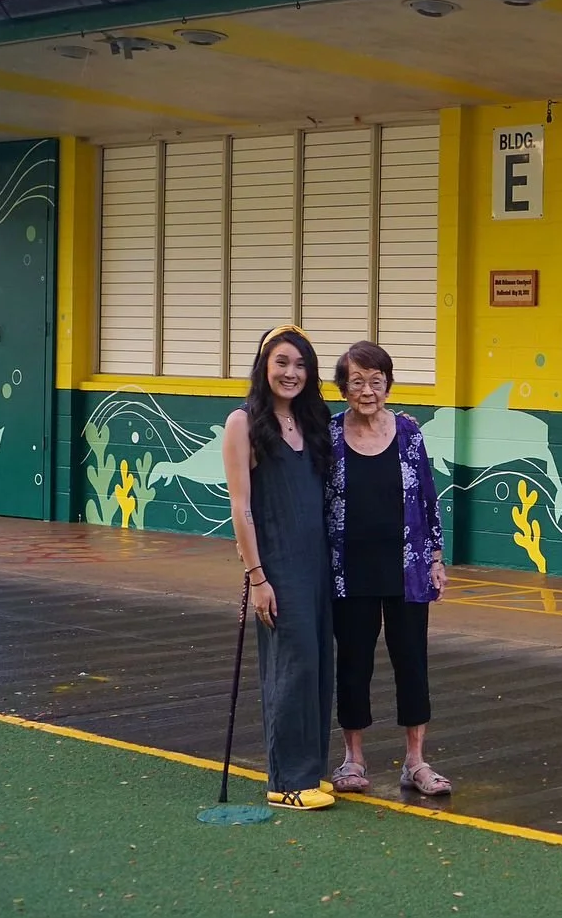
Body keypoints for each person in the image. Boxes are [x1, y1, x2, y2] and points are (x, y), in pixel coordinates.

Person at [325, 340, 452, 797]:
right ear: (342, 388)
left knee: (411, 662)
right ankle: (353, 759)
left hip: (408, 567)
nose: (367, 390)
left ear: (388, 384)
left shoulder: (408, 431)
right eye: (357, 382)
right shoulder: (330, 432)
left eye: (376, 381)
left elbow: (427, 497)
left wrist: (436, 557)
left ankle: (415, 761)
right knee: (353, 663)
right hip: (348, 569)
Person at [222, 324, 336, 811]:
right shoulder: (243, 423)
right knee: (292, 667)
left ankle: (310, 768)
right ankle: (285, 779)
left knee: (318, 668)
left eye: (300, 365)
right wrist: (258, 577)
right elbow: (241, 508)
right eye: (282, 363)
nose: (291, 373)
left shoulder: (312, 424)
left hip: (318, 565)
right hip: (278, 567)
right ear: (263, 367)